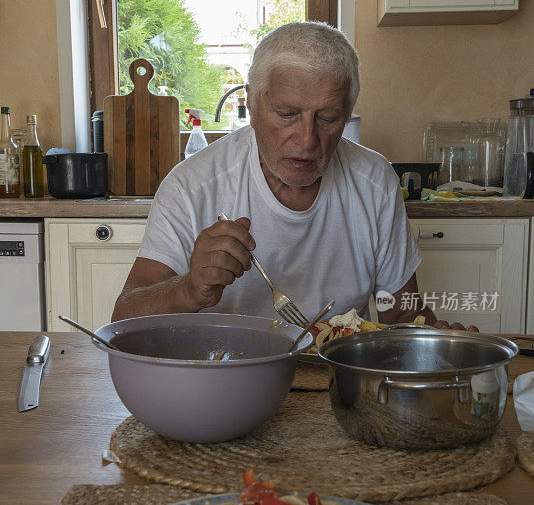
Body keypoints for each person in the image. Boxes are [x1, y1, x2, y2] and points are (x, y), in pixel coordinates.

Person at [113, 21, 474, 331]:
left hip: (337, 385)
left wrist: (434, 338)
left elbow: (401, 311)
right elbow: (123, 317)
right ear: (252, 106)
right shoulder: (193, 186)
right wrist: (188, 289)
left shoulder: (374, 181)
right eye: (286, 113)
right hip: (223, 385)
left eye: (328, 117)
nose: (306, 140)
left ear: (348, 113)